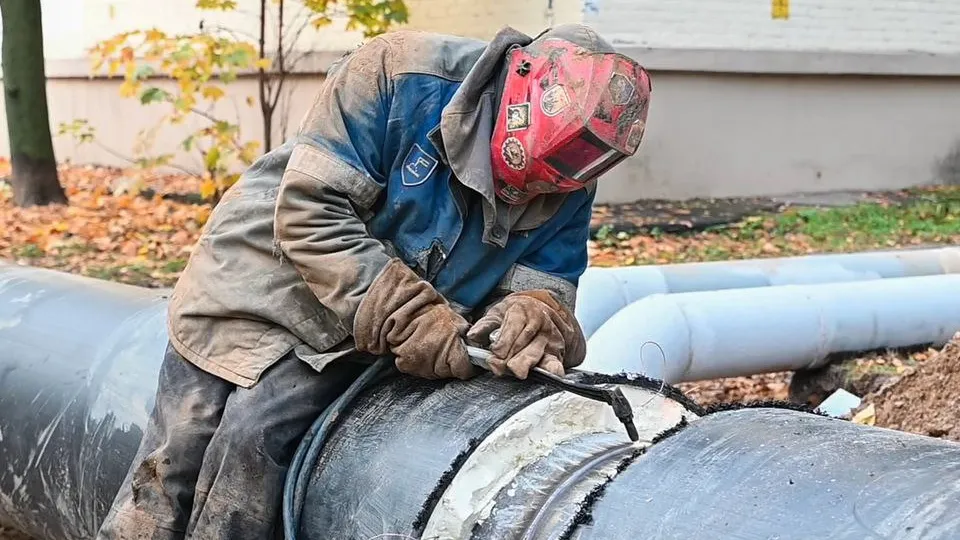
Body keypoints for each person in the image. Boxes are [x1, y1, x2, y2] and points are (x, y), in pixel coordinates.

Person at [96, 22, 651, 540]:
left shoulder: (570, 170)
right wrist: (411, 314)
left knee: (254, 441)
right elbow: (311, 213)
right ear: (518, 89)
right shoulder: (397, 74)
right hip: (264, 277)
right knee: (175, 457)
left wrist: (529, 316)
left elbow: (546, 285)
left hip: (358, 328)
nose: (540, 193)